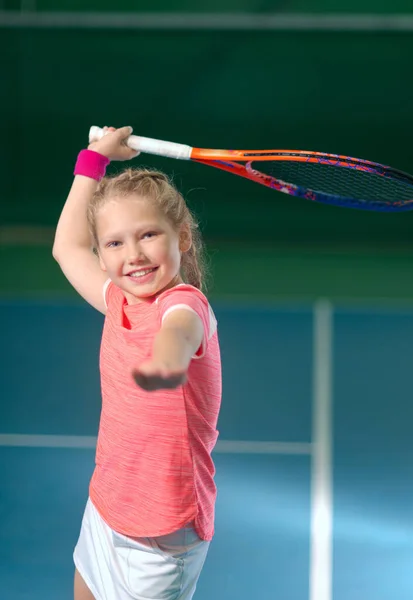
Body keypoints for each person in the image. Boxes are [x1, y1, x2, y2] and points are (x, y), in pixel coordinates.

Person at [52, 126, 222, 600]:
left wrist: (167, 361)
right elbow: (66, 247)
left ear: (182, 238)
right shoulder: (118, 301)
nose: (134, 255)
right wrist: (93, 160)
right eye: (114, 243)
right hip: (107, 504)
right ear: (103, 255)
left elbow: (180, 331)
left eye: (148, 235)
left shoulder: (184, 303)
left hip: (162, 534)